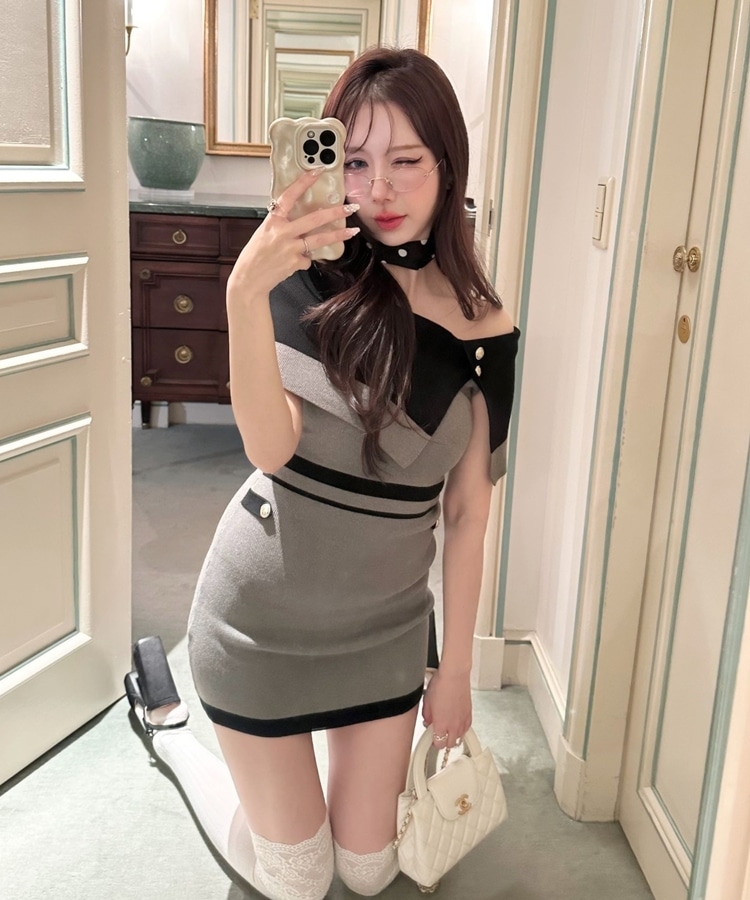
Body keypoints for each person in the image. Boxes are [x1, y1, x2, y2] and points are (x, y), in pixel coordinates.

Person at [125, 46, 518, 900]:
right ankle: (173, 734)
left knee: (370, 874)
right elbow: (270, 450)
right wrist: (243, 293)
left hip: (385, 632)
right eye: (358, 162)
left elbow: (467, 514)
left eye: (407, 161)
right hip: (259, 624)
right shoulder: (308, 280)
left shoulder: (488, 327)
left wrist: (453, 673)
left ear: (448, 167)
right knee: (299, 879)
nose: (380, 189)